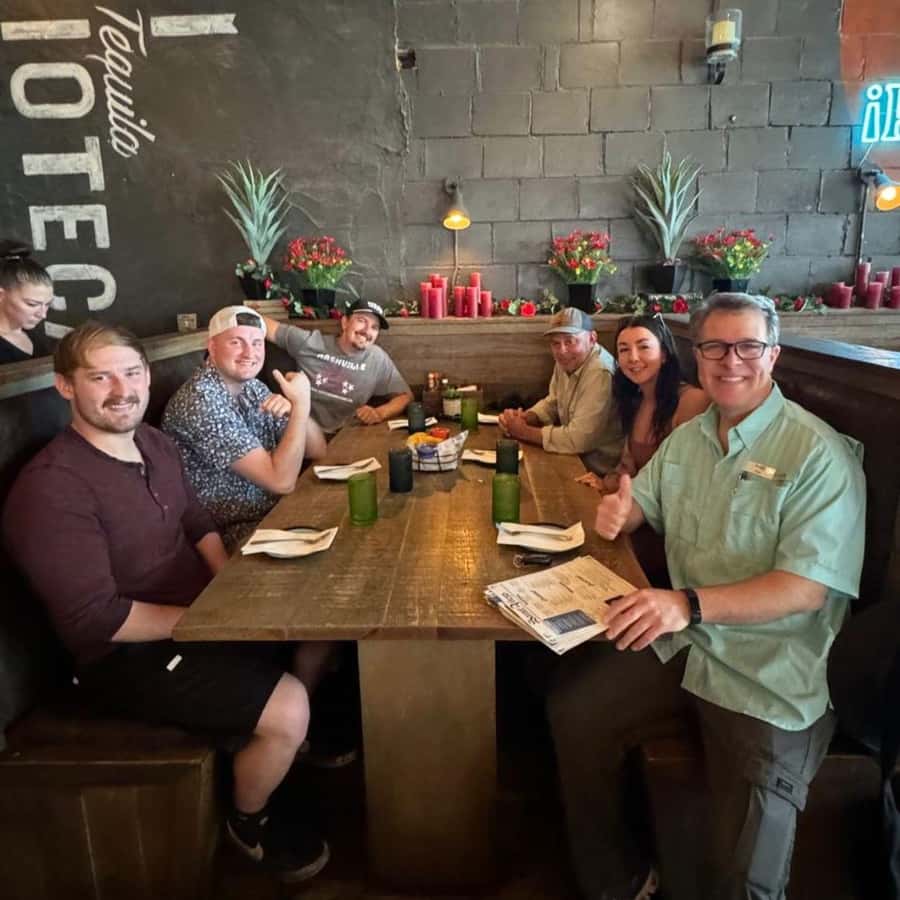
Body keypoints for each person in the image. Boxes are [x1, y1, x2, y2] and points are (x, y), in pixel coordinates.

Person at [547, 293, 866, 900]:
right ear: (697, 356)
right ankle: (617, 881)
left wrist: (685, 603)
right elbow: (645, 502)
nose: (730, 361)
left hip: (770, 670)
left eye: (748, 346)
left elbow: (805, 588)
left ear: (773, 355)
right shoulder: (689, 439)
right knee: (574, 710)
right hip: (687, 644)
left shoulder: (816, 453)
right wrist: (622, 512)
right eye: (715, 347)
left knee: (746, 869)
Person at [2, 321, 330, 883]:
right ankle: (248, 822)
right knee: (290, 707)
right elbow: (95, 618)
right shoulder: (51, 488)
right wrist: (211, 619)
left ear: (148, 377)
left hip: (195, 614)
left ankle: (269, 755)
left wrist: (228, 586)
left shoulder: (153, 443)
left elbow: (195, 519)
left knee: (316, 616)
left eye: (131, 373)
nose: (121, 390)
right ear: (65, 386)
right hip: (122, 655)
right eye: (99, 378)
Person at [162, 305, 327, 552]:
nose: (250, 352)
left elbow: (318, 450)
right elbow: (281, 482)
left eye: (257, 343)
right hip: (234, 534)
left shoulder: (253, 387)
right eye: (236, 342)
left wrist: (295, 410)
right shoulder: (200, 400)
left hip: (275, 513)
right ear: (212, 347)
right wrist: (302, 406)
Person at [578, 313, 709, 493]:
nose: (633, 358)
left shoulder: (692, 401)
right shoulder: (635, 400)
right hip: (636, 503)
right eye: (624, 350)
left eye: (644, 347)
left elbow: (685, 481)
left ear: (664, 354)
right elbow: (628, 469)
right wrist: (605, 484)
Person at [498, 307, 623, 475]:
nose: (562, 351)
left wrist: (523, 431)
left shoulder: (600, 372)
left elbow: (579, 439)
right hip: (573, 458)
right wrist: (526, 417)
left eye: (570, 341)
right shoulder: (568, 360)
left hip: (600, 472)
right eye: (555, 343)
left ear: (592, 338)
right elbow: (553, 401)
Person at [261, 299, 412, 434]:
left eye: (374, 327)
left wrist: (379, 413)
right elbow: (261, 323)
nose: (367, 331)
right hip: (303, 431)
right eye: (361, 321)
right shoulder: (310, 342)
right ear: (345, 322)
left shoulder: (377, 358)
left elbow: (405, 396)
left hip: (347, 436)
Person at [0, 239, 54, 363]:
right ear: (1, 295)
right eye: (32, 304)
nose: (43, 315)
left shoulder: (35, 337)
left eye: (48, 304)